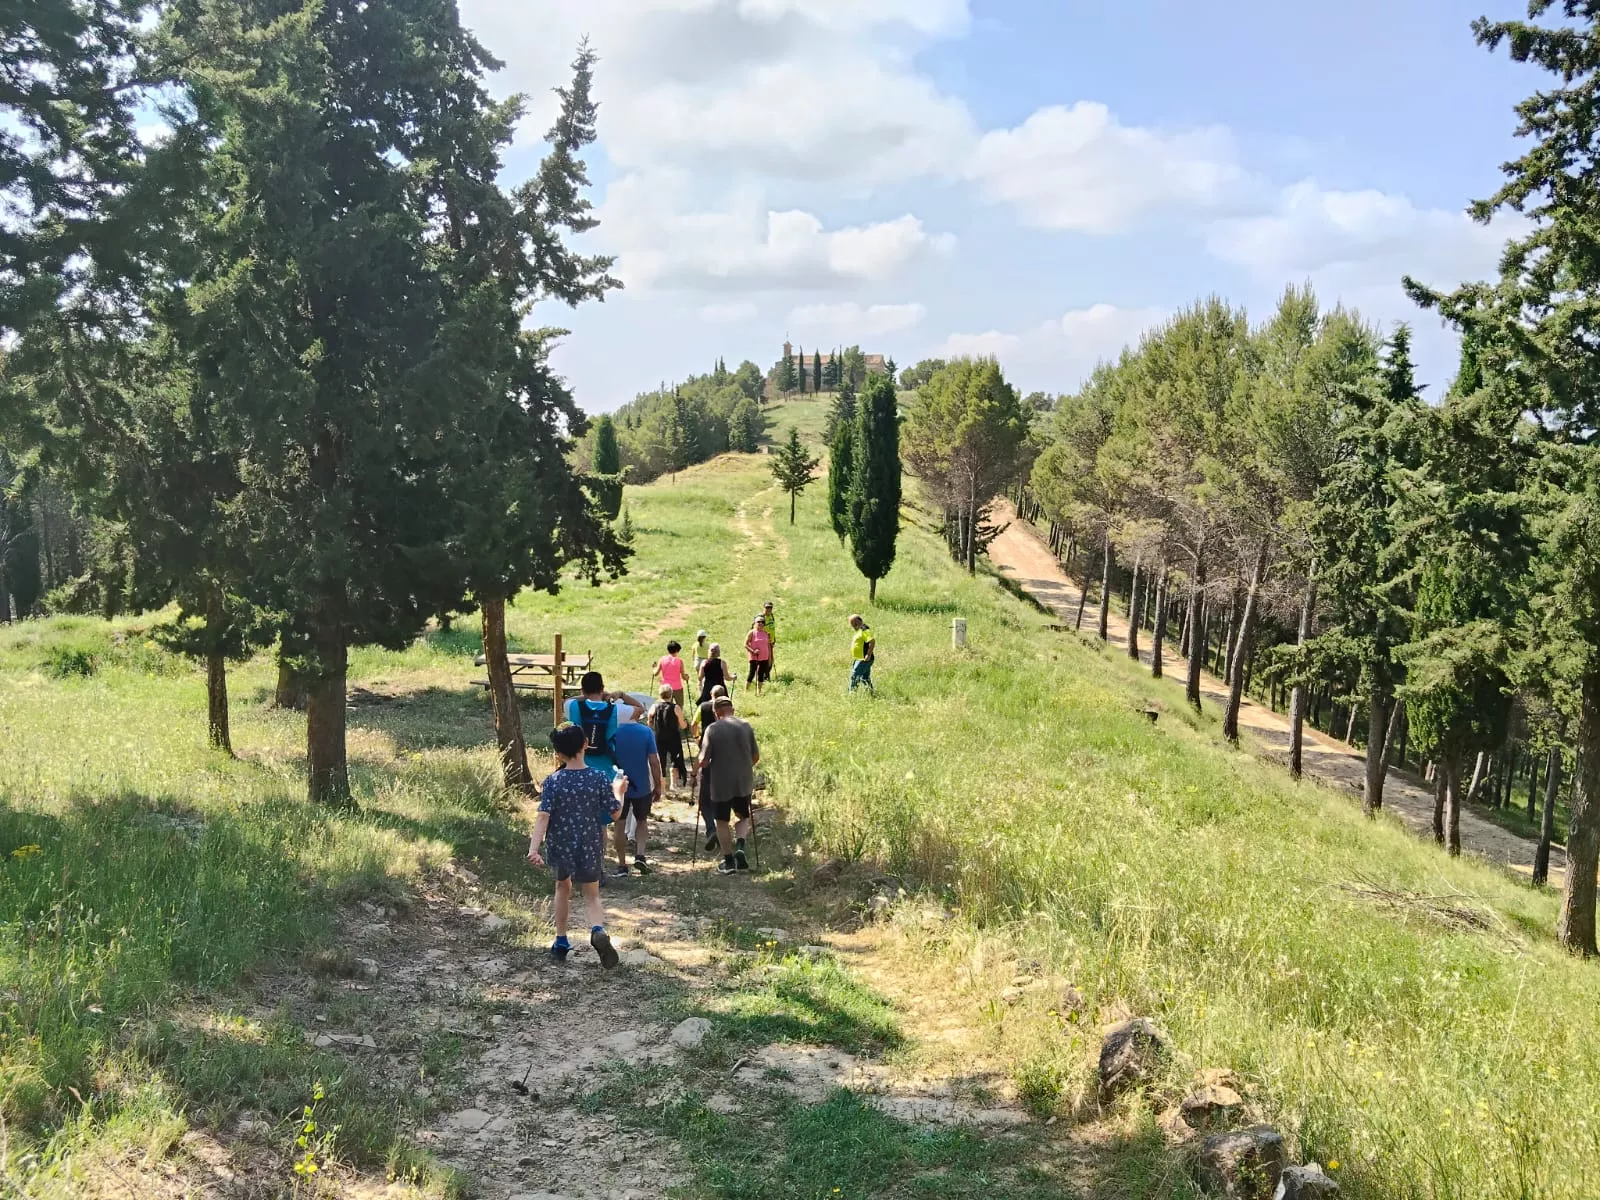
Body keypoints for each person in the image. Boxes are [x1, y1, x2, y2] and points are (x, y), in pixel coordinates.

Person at [527, 724, 623, 967]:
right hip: (590, 843)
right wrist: (619, 791)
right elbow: (614, 814)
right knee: (591, 894)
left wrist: (533, 848)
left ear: (557, 753)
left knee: (562, 887)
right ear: (585, 745)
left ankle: (561, 941)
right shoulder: (598, 778)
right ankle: (597, 929)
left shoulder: (553, 781)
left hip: (560, 844)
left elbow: (543, 816)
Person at [698, 695, 760, 875]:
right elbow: (755, 757)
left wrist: (704, 765)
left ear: (716, 713)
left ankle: (729, 861)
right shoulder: (746, 726)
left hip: (720, 782)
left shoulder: (712, 729)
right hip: (743, 780)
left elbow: (703, 760)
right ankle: (740, 845)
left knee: (722, 821)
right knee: (742, 816)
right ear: (732, 709)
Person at [564, 671, 646, 777]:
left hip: (577, 771)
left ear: (582, 690)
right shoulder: (616, 710)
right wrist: (622, 695)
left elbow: (567, 700)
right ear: (602, 689)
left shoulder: (571, 706)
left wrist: (585, 697)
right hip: (605, 773)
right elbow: (640, 709)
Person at [610, 717, 663, 876]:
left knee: (619, 823)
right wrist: (658, 784)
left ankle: (621, 864)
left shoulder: (613, 733)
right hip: (642, 785)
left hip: (619, 785)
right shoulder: (646, 731)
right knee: (642, 820)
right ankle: (640, 854)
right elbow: (654, 761)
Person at [692, 685, 728, 851]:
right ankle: (722, 832)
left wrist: (697, 737)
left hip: (707, 752)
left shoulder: (703, 706)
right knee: (719, 800)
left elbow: (693, 724)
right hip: (724, 761)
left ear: (711, 695)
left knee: (704, 801)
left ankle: (711, 829)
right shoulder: (728, 711)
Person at [648, 685, 690, 789]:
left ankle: (662, 787)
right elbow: (682, 725)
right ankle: (673, 784)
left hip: (659, 737)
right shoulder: (675, 707)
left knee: (660, 760)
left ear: (660, 695)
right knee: (675, 759)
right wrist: (686, 725)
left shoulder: (654, 707)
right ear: (671, 695)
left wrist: (653, 725)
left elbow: (649, 722)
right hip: (673, 737)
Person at [652, 640, 687, 708]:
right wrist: (687, 677)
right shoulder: (679, 661)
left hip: (666, 688)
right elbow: (683, 677)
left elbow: (656, 673)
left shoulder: (662, 659)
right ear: (677, 650)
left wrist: (654, 668)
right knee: (679, 706)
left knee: (666, 707)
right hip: (677, 687)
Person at [848, 614, 875, 695]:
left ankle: (851, 695)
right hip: (859, 658)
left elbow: (872, 641)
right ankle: (871, 694)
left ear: (859, 621)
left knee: (855, 676)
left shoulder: (864, 629)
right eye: (852, 624)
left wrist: (868, 654)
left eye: (854, 623)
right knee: (865, 678)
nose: (853, 626)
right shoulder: (859, 630)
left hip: (864, 659)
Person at [744, 617, 772, 695]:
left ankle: (759, 691)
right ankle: (746, 691)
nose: (760, 623)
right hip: (754, 656)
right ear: (755, 623)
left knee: (761, 674)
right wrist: (753, 651)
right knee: (752, 673)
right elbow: (745, 644)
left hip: (764, 657)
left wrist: (770, 658)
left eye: (762, 622)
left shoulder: (766, 633)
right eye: (758, 622)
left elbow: (768, 646)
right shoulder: (752, 632)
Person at [761, 601, 777, 672]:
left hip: (771, 641)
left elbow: (772, 628)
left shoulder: (771, 616)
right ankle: (764, 675)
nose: (768, 609)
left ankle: (767, 674)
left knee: (770, 659)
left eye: (770, 607)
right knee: (766, 659)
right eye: (767, 607)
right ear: (764, 608)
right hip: (764, 642)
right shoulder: (761, 618)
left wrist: (774, 639)